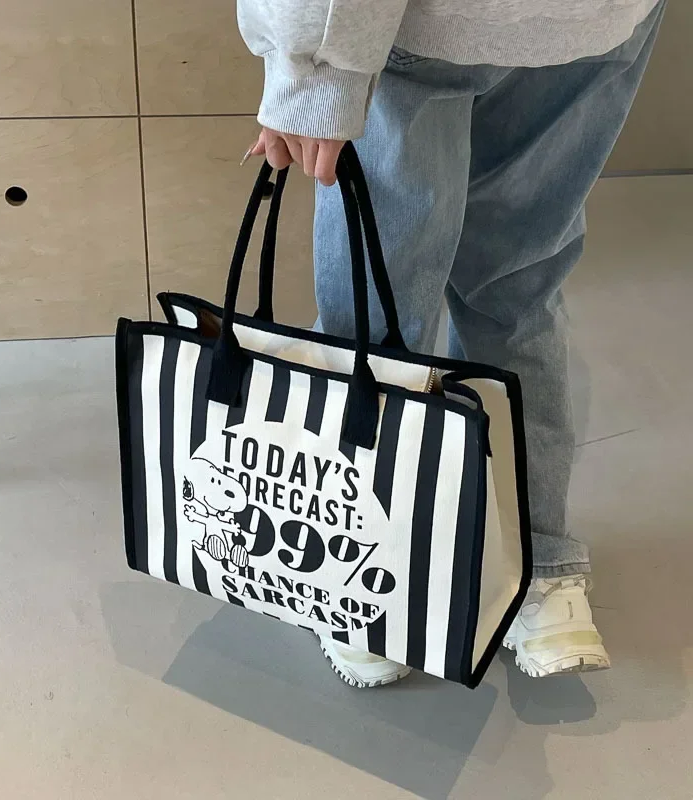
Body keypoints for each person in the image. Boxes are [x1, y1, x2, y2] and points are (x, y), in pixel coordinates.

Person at [237, 0, 665, 685]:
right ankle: (534, 563)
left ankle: (362, 569)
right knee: (517, 292)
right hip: (595, 24)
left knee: (378, 311)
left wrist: (309, 75)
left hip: (439, 32)